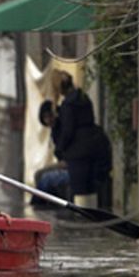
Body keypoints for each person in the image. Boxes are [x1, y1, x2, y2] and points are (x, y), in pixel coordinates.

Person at [49, 72, 113, 203]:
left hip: (77, 153)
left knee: (78, 192)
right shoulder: (84, 98)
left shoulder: (67, 105)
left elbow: (68, 131)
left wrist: (59, 150)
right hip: (95, 146)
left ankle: (78, 221)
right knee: (94, 189)